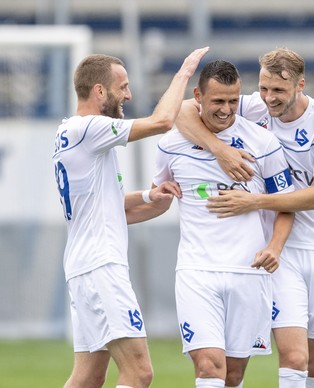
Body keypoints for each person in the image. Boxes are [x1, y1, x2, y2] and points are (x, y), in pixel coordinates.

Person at [177, 48, 314, 388]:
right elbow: (184, 111)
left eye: (278, 91)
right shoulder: (253, 106)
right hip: (281, 251)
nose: (269, 99)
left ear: (300, 86)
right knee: (294, 357)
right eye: (264, 89)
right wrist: (220, 149)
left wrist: (254, 201)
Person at [52, 47, 208, 388]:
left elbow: (106, 205)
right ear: (99, 91)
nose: (129, 94)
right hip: (101, 267)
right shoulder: (90, 128)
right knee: (139, 372)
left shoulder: (69, 132)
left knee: (88, 377)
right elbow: (162, 122)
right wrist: (184, 73)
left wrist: (150, 196)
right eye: (122, 86)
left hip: (84, 266)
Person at [151, 59, 295, 388]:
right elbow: (160, 195)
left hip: (248, 271)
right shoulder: (171, 144)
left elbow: (287, 204)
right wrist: (149, 198)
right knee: (209, 365)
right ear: (198, 96)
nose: (226, 110)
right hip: (196, 271)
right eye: (218, 101)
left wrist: (274, 246)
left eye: (233, 100)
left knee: (233, 374)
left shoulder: (263, 143)